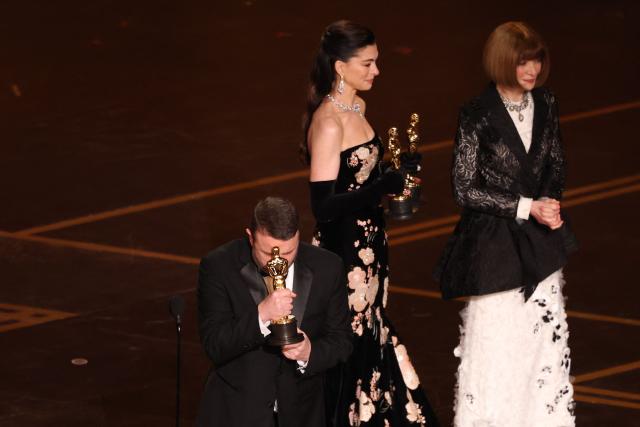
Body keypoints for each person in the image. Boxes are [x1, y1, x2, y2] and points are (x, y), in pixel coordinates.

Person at [433, 21, 578, 426]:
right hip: (493, 248)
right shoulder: (477, 113)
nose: (532, 70)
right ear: (502, 62)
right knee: (497, 347)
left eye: (536, 61)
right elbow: (464, 188)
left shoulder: (547, 103)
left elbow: (557, 163)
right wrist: (524, 206)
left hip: (539, 245)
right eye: (522, 63)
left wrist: (549, 202)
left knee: (540, 344)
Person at [302, 20, 439, 427]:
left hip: (371, 247)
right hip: (345, 253)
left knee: (370, 333)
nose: (376, 71)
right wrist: (379, 187)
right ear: (340, 67)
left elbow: (356, 176)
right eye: (368, 64)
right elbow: (322, 207)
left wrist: (398, 173)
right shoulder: (329, 123)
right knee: (353, 341)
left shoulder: (356, 107)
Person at [196, 197, 353, 427]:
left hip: (303, 414)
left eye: (289, 252)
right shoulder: (219, 266)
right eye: (268, 253)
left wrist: (309, 352)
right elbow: (215, 345)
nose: (278, 261)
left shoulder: (327, 267)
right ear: (251, 237)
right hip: (237, 413)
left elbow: (342, 341)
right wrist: (261, 315)